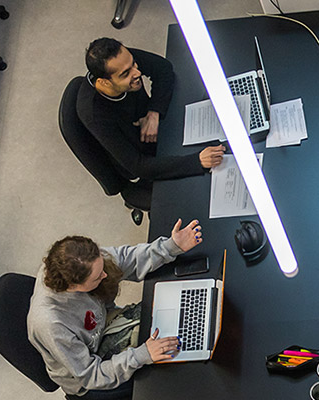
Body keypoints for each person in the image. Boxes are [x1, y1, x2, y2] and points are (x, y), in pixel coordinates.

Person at [26, 219, 203, 396]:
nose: (105, 275)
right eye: (97, 278)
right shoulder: (50, 323)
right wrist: (142, 355)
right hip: (90, 380)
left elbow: (126, 259)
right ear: (73, 286)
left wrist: (170, 246)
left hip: (107, 326)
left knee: (178, 324)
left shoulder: (80, 259)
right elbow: (91, 376)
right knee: (173, 378)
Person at [76, 37, 225, 224]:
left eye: (134, 64)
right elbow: (137, 165)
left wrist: (154, 112)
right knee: (203, 195)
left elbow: (163, 68)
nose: (137, 72)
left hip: (158, 132)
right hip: (141, 158)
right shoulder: (95, 114)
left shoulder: (123, 60)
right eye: (126, 74)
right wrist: (196, 161)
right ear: (105, 82)